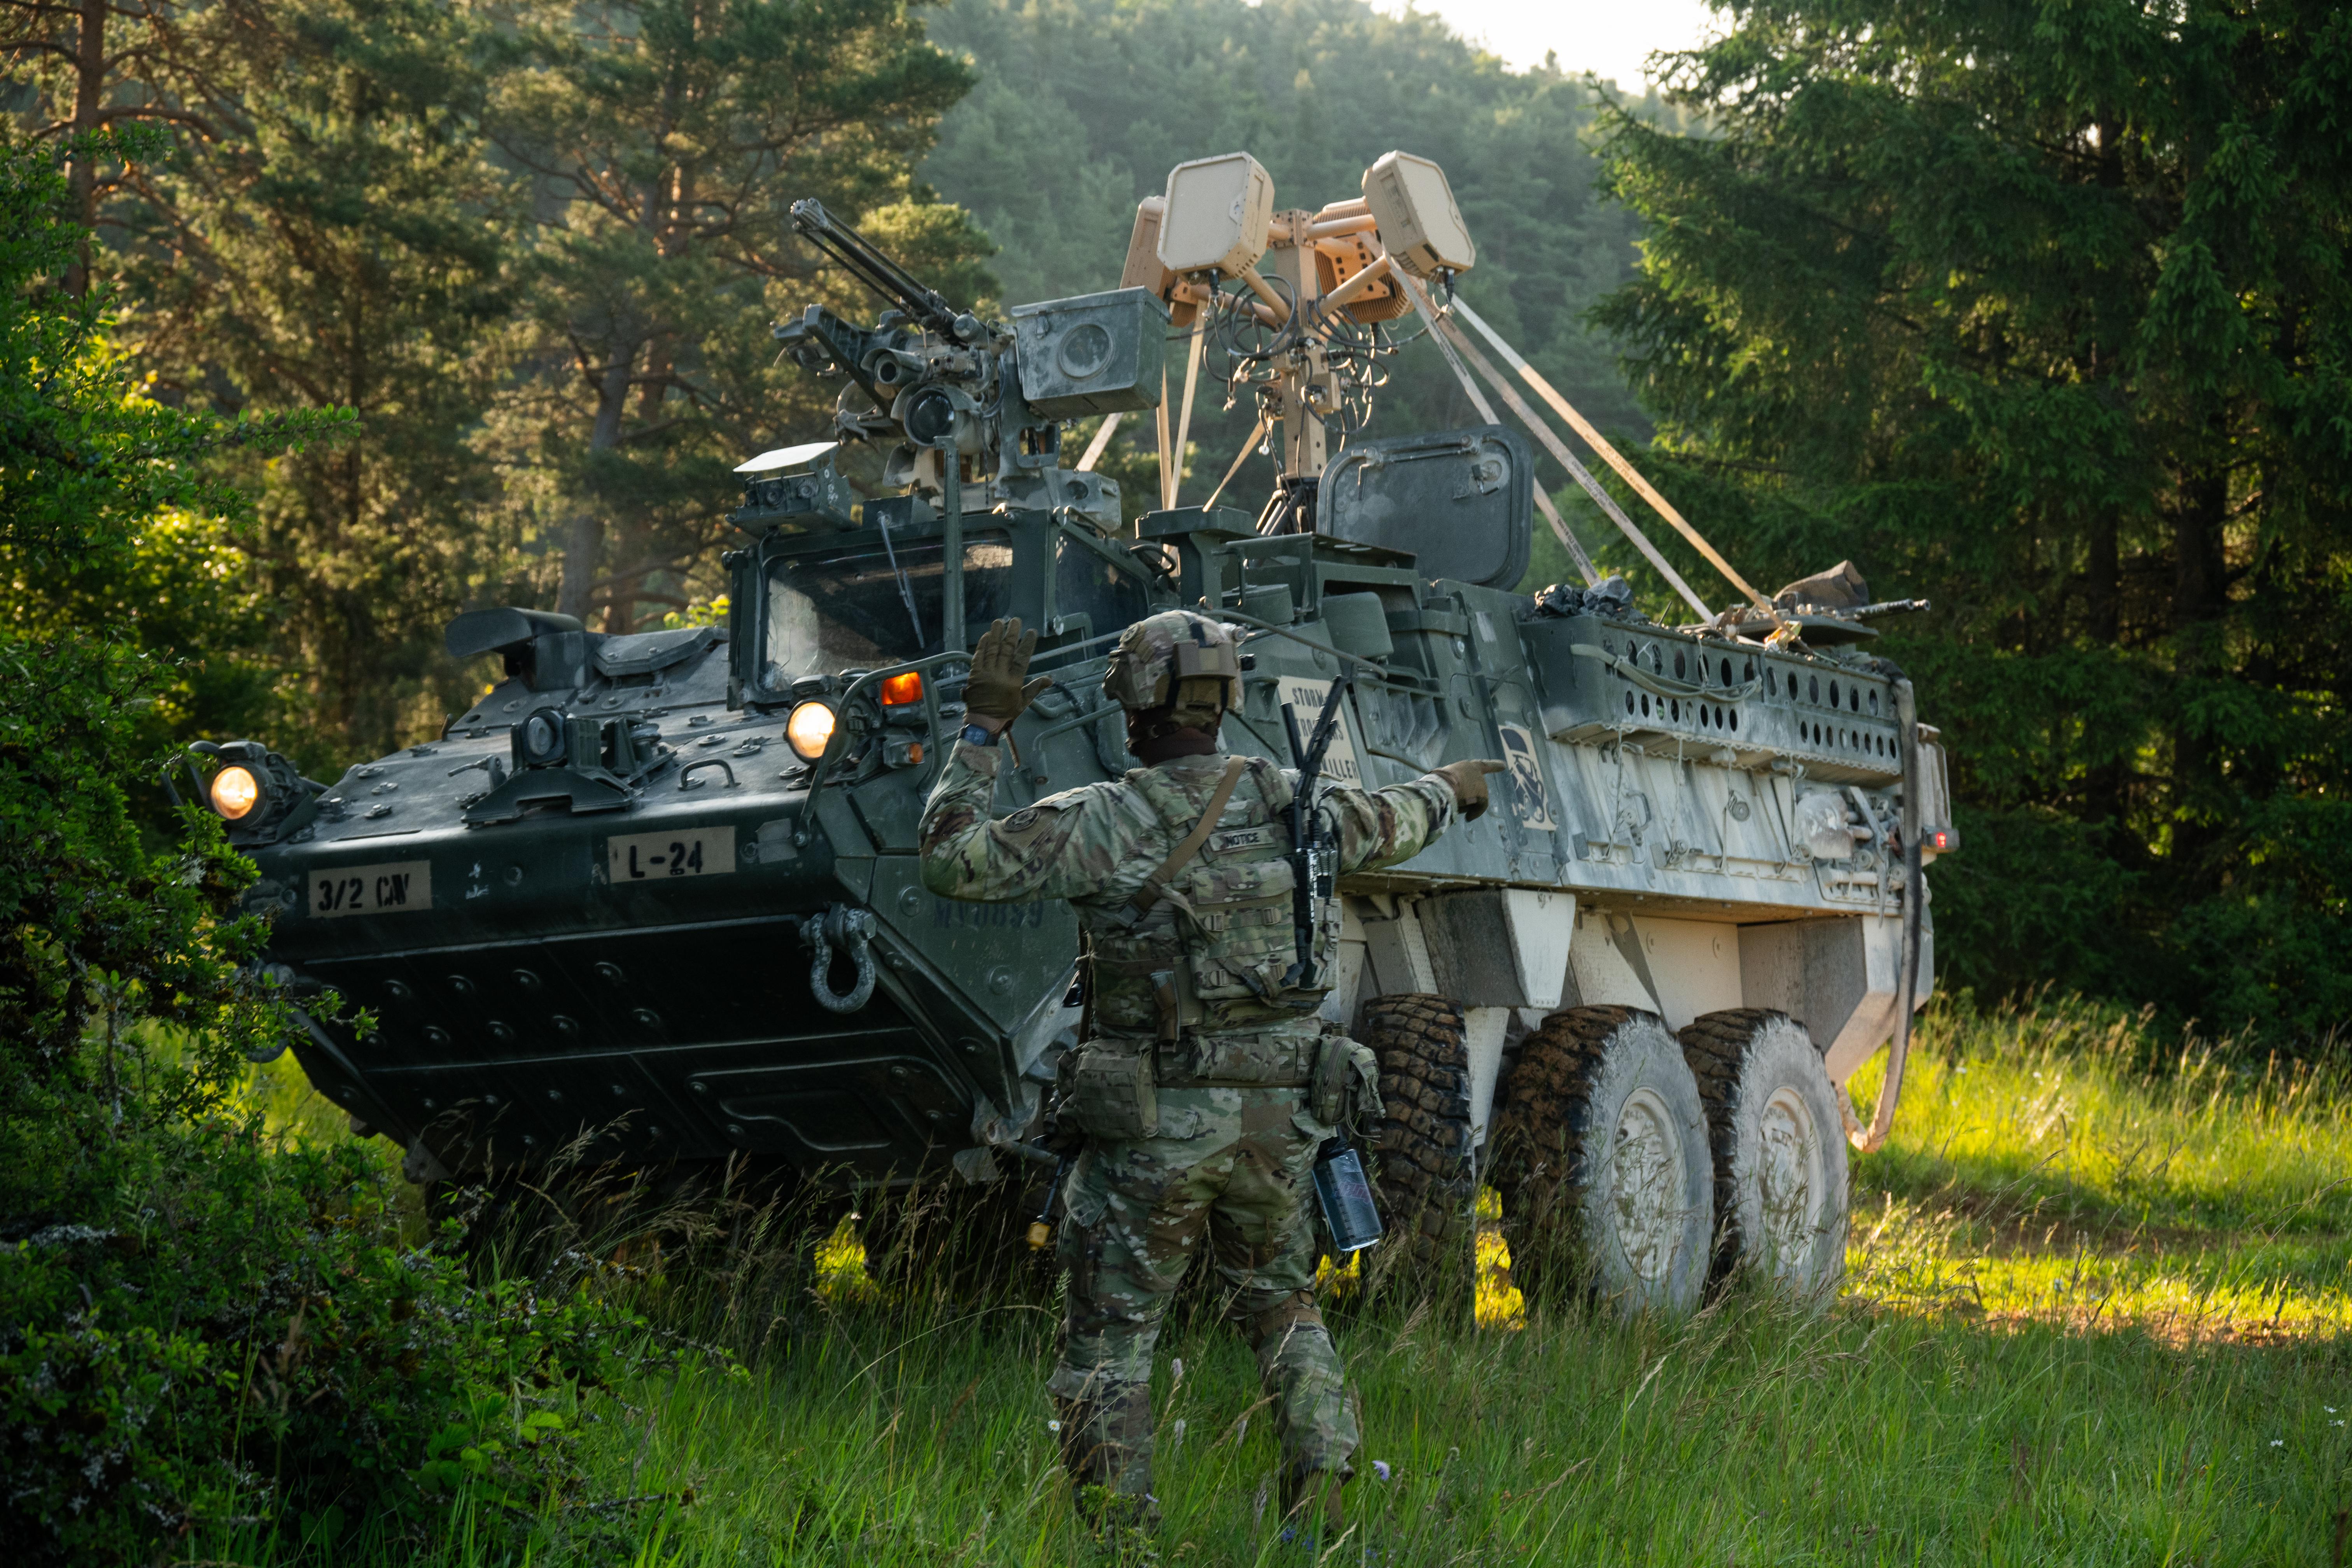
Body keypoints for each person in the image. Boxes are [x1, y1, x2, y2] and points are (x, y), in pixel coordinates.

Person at [917, 609, 1503, 1540]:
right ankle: (1329, 1514)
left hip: (1156, 1129)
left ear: (1137, 702)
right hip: (1285, 1123)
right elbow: (1396, 821)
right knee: (1284, 1308)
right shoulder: (1296, 804)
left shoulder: (1108, 819)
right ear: (1226, 697)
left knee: (1111, 1347)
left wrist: (984, 732)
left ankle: (1123, 1542)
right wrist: (1451, 787)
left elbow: (953, 860)